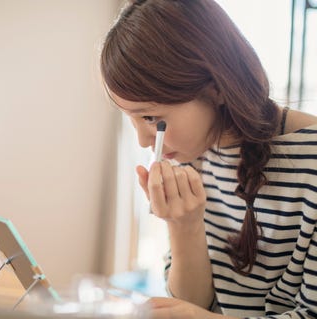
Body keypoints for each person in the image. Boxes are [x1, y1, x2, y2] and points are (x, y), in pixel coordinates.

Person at [99, 0, 317, 318]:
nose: (144, 141)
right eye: (131, 119)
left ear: (215, 88)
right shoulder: (196, 152)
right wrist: (183, 225)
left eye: (150, 118)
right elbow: (195, 303)